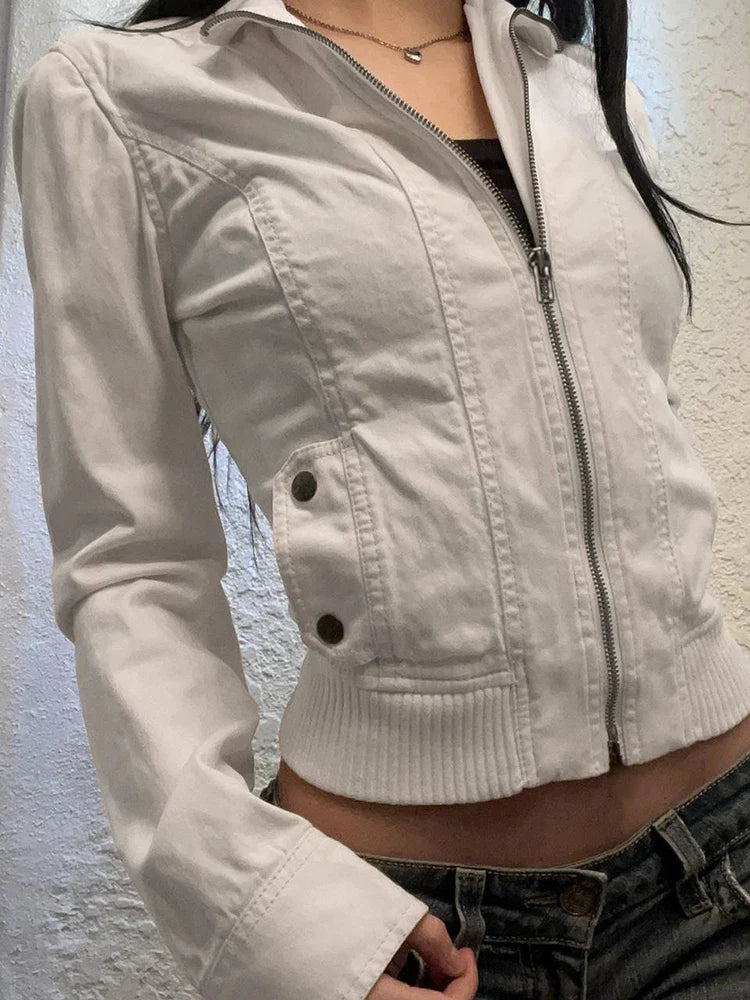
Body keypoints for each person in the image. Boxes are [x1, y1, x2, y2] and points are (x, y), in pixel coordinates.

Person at [12, 0, 750, 997]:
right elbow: (131, 565)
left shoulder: (574, 81)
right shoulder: (121, 100)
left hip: (722, 866)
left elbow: (632, 421)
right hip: (417, 931)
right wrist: (275, 922)